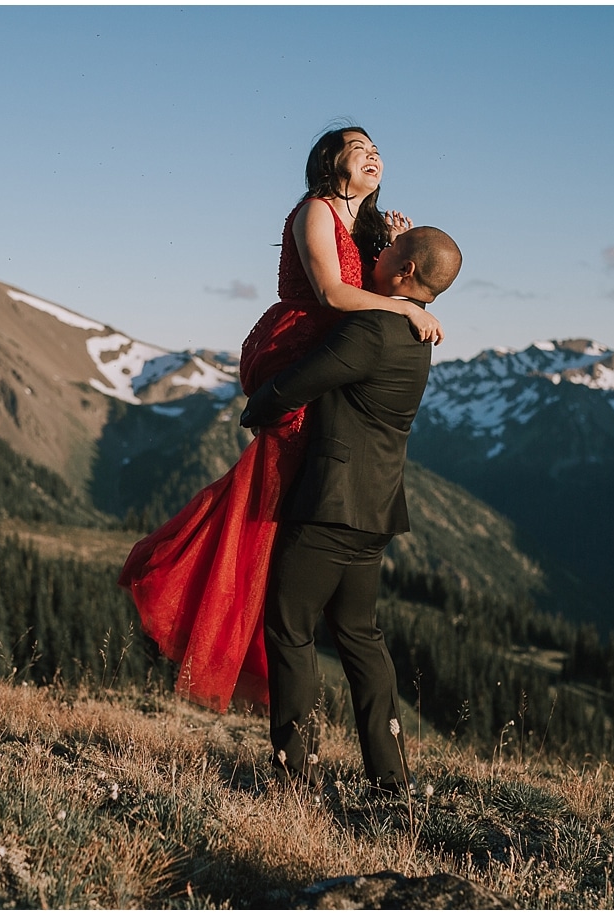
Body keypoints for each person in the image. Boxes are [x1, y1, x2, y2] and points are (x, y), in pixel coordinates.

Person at [120, 126, 443, 712]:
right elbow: (331, 293)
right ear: (329, 162)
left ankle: (279, 594)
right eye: (359, 147)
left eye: (378, 149)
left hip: (333, 358)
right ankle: (221, 594)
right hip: (297, 348)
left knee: (288, 491)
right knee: (275, 487)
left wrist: (392, 248)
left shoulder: (367, 227)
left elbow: (397, 275)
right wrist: (402, 307)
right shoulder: (315, 211)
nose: (374, 154)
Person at [240, 226, 464, 791]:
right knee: (360, 635)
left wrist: (257, 405)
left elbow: (302, 382)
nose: (376, 258)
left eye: (387, 253)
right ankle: (389, 777)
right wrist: (386, 234)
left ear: (406, 272)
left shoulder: (375, 327)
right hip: (377, 507)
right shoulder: (413, 332)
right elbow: (389, 271)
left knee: (289, 627)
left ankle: (296, 777)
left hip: (330, 504)